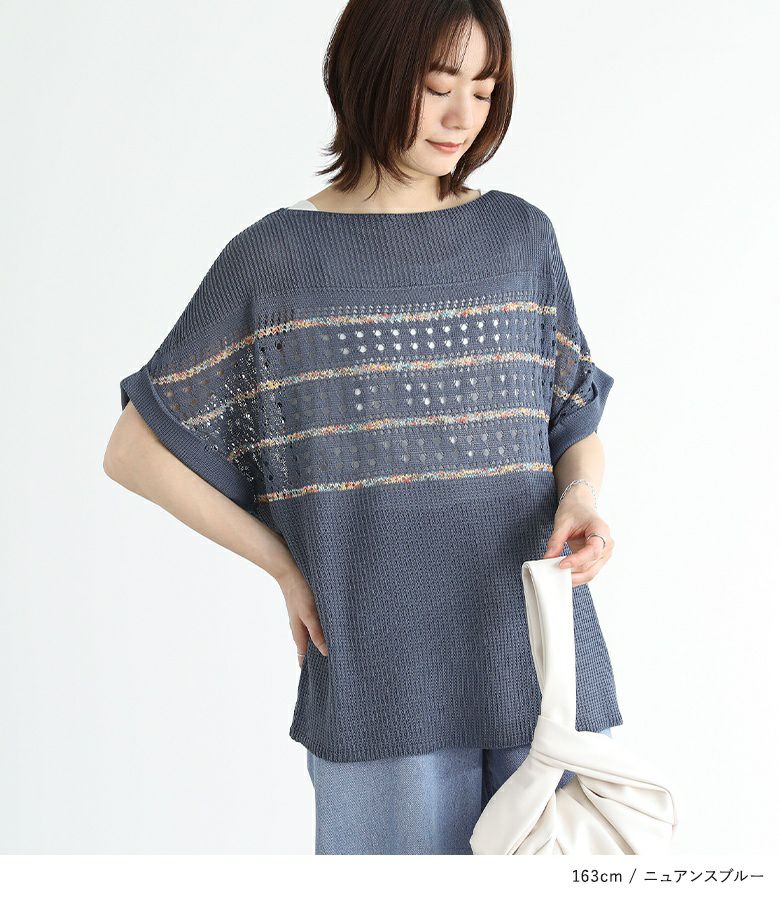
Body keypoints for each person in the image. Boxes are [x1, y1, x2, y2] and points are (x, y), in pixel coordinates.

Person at [104, 0, 621, 855]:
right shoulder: (277, 260)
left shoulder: (518, 236)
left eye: (485, 89)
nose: (463, 117)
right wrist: (283, 565)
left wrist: (583, 498)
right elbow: (135, 451)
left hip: (538, 654)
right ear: (371, 75)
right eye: (438, 85)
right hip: (379, 668)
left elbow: (570, 413)